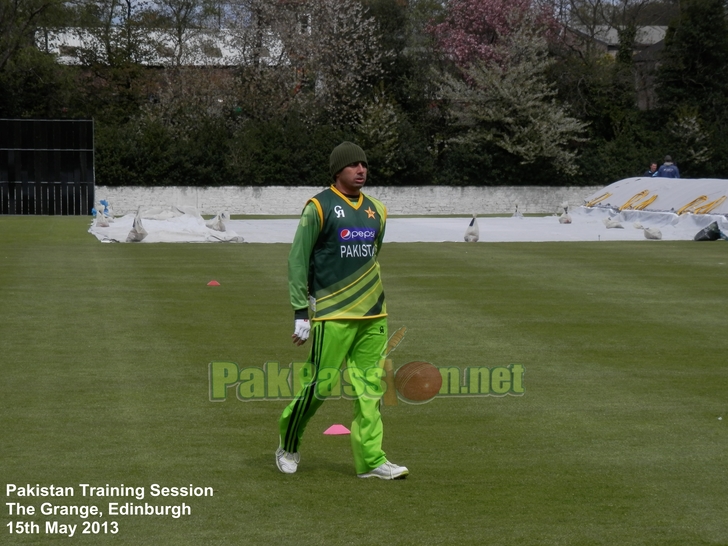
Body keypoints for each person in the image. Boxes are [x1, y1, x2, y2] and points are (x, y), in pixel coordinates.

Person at [275, 141, 408, 480]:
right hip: (333, 315)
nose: (361, 170)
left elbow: (373, 253)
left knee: (370, 390)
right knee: (319, 387)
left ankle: (371, 461)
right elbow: (297, 260)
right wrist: (300, 312)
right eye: (353, 166)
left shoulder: (378, 209)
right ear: (337, 171)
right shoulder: (318, 207)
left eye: (364, 164)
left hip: (374, 315)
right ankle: (288, 444)